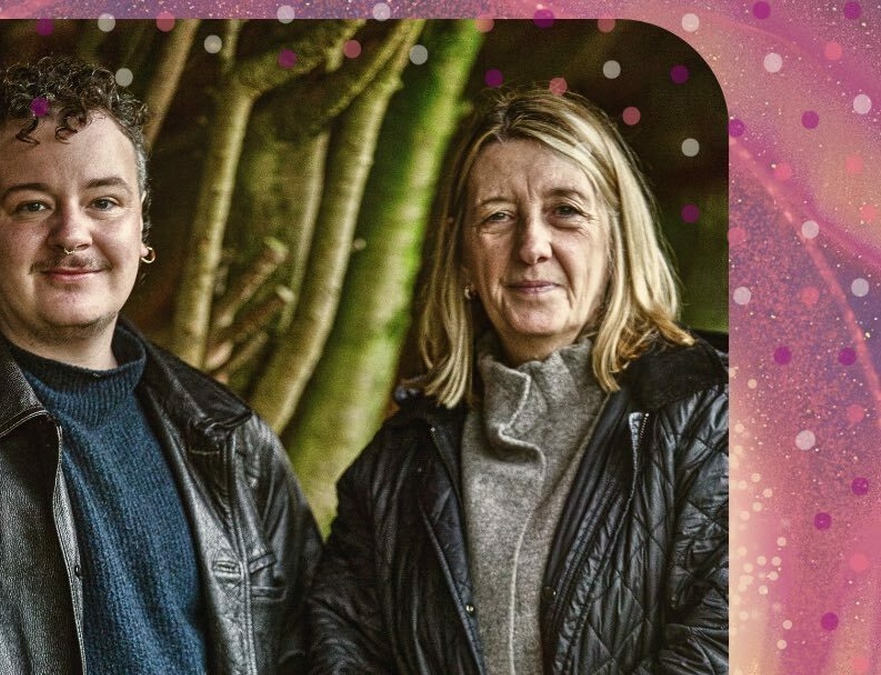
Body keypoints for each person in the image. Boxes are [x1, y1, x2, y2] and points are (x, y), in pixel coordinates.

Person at [0, 56, 321, 674]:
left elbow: (306, 650)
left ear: (141, 222)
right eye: (33, 206)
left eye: (104, 202)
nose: (72, 234)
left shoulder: (230, 440)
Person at [307, 88, 728, 674]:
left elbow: (725, 647)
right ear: (462, 256)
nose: (532, 246)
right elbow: (340, 647)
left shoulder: (712, 417)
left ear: (617, 240)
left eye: (566, 211)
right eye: (497, 217)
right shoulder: (397, 463)